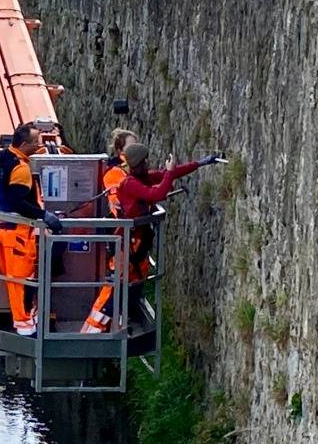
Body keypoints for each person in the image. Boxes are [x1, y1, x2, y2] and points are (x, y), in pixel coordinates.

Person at [82, 143, 221, 334]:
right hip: (128, 244)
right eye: (145, 160)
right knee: (116, 287)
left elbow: (168, 174)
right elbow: (157, 193)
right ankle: (92, 332)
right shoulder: (130, 184)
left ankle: (115, 327)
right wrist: (170, 173)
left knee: (128, 287)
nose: (148, 163)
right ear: (139, 162)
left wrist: (200, 163)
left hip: (135, 243)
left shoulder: (141, 178)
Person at [0, 122, 64, 336]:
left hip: (0, 229)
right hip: (19, 235)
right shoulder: (21, 169)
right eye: (36, 143)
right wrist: (44, 216)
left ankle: (26, 322)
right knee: (23, 282)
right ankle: (26, 329)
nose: (40, 146)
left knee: (12, 280)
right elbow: (18, 203)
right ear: (24, 145)